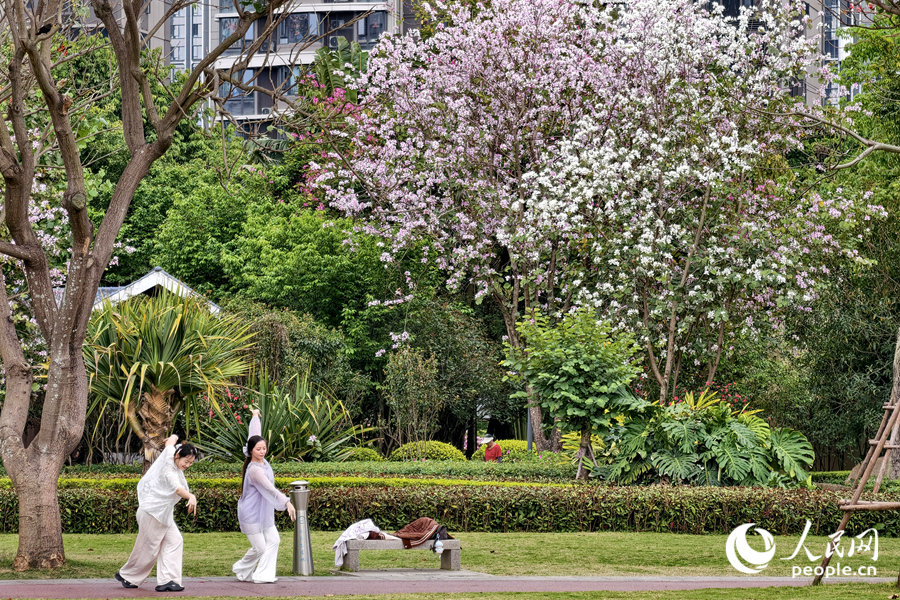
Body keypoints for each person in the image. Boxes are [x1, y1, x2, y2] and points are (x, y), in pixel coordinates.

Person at [116, 435, 198, 593]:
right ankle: (128, 576)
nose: (188, 465)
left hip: (163, 514)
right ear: (177, 456)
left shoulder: (170, 452)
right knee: (149, 548)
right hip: (152, 513)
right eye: (186, 461)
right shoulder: (169, 469)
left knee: (175, 541)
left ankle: (169, 580)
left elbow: (169, 443)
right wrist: (191, 496)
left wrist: (174, 436)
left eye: (191, 463)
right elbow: (178, 489)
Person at [233, 408, 297, 583]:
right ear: (251, 451)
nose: (262, 451)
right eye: (258, 449)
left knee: (274, 540)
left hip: (264, 511)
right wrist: (287, 503)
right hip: (251, 512)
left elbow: (255, 435)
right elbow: (269, 489)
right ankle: (242, 568)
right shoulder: (254, 470)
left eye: (264, 448)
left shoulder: (262, 460)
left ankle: (259, 574)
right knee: (260, 548)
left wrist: (255, 417)